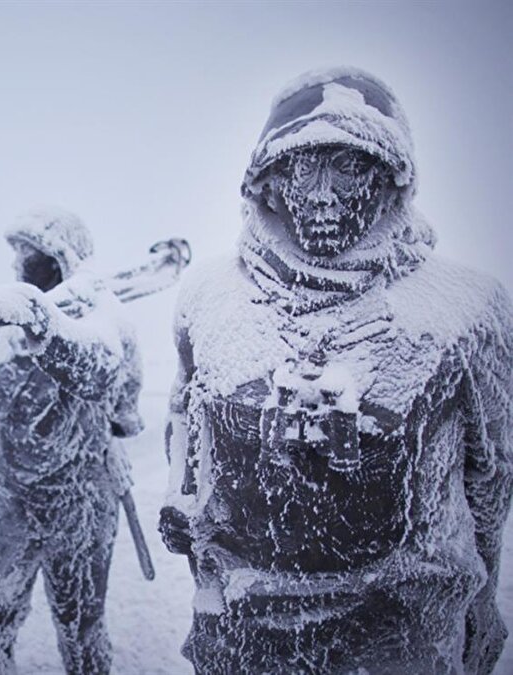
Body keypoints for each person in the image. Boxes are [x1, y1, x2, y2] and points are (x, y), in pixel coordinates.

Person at [159, 67, 512, 674]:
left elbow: (491, 477)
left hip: (403, 634)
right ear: (269, 182)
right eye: (303, 166)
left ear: (389, 177)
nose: (322, 194)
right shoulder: (208, 297)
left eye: (349, 167)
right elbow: (186, 426)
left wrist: (479, 594)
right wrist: (185, 511)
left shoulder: (465, 308)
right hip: (244, 633)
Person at [0, 208, 143, 674]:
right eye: (21, 256)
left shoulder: (107, 322)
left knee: (82, 633)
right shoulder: (1, 327)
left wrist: (111, 437)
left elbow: (119, 401)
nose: (25, 265)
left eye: (36, 256)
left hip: (81, 507)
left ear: (64, 258)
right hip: (11, 502)